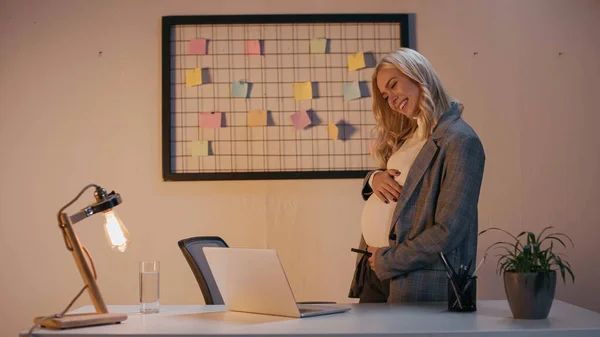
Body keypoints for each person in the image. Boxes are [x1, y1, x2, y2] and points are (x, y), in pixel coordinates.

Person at [349, 48, 486, 303]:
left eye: (393, 85)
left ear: (417, 74)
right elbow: (402, 183)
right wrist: (373, 178)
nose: (391, 99)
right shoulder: (410, 135)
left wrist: (387, 260)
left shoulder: (460, 141)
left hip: (414, 278)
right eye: (385, 95)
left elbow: (448, 231)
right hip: (374, 272)